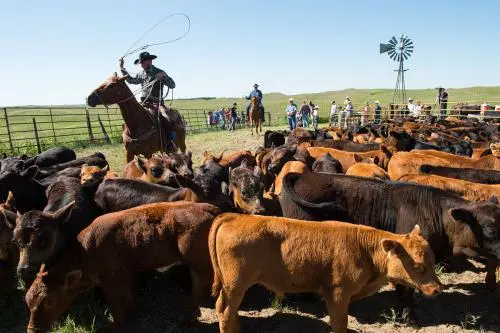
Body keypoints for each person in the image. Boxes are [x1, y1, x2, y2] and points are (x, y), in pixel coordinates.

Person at [119, 52, 179, 151]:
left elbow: (172, 85)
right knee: (130, 118)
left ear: (150, 61)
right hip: (144, 103)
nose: (143, 65)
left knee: (166, 117)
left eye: (144, 62)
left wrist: (164, 77)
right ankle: (133, 141)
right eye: (141, 63)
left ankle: (170, 142)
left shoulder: (159, 72)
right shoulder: (141, 74)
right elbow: (131, 80)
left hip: (157, 103)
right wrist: (122, 68)